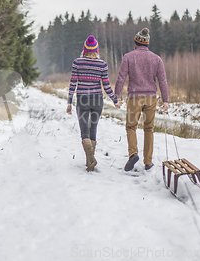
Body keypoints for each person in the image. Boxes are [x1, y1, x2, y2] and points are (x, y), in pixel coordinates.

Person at [113, 28, 169, 172]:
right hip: (151, 98)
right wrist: (165, 100)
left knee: (131, 126)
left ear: (136, 42)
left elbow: (121, 77)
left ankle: (133, 153)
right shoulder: (157, 59)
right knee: (149, 129)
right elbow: (162, 80)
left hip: (134, 98)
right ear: (147, 43)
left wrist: (116, 96)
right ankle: (148, 162)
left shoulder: (128, 57)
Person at [66, 35, 118, 172]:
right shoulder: (102, 64)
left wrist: (69, 102)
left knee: (84, 131)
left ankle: (90, 159)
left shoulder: (77, 63)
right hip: (97, 100)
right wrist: (115, 100)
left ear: (84, 49)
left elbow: (73, 84)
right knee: (93, 129)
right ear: (96, 49)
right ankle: (90, 161)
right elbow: (106, 86)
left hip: (82, 99)